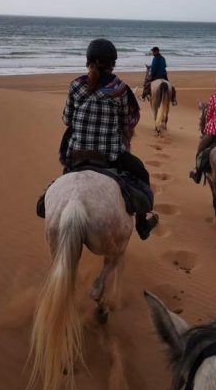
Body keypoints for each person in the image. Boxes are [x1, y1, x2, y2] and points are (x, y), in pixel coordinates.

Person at [38, 38, 158, 240]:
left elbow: (67, 119)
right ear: (112, 63)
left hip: (76, 154)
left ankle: (47, 203)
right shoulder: (119, 88)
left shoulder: (76, 85)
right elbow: (128, 120)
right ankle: (142, 224)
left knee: (66, 176)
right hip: (110, 155)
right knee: (141, 173)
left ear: (89, 60)